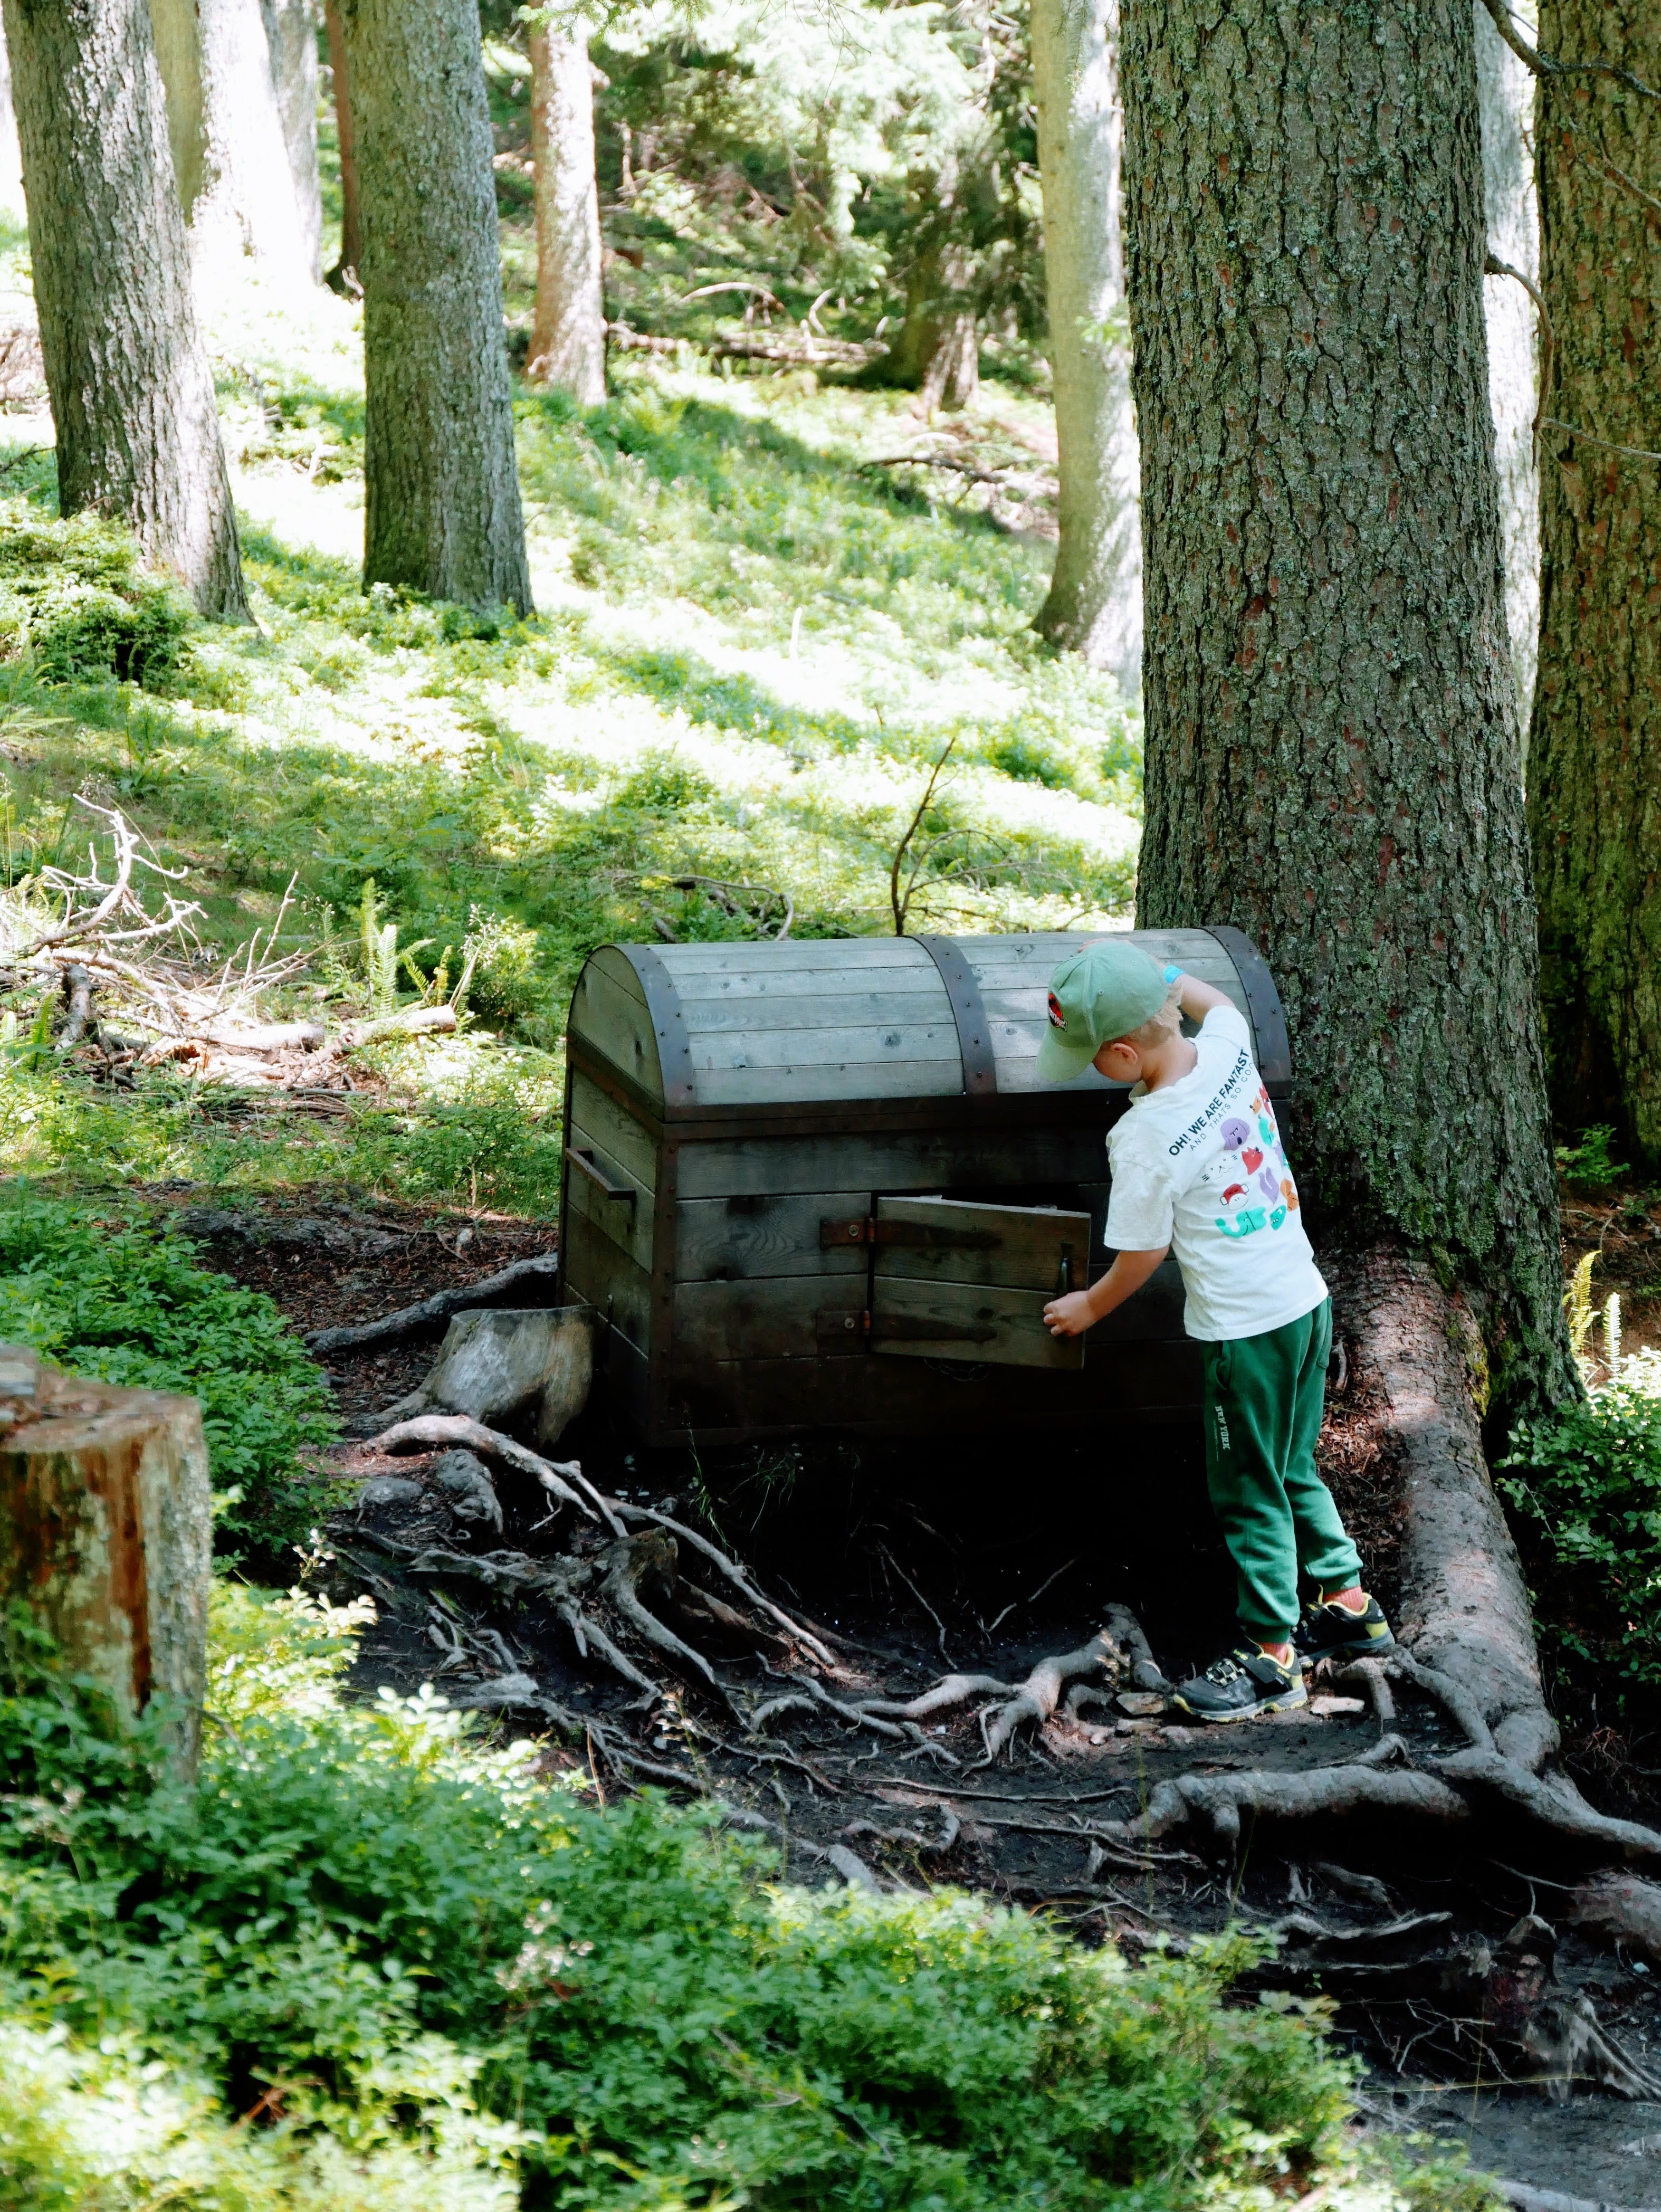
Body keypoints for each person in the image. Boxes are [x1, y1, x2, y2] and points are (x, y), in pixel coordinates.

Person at [1038, 938, 1393, 1722]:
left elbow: (1145, 1250)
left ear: (1125, 1053)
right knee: (1293, 1463)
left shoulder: (1143, 1135)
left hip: (1246, 1333)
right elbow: (1223, 1004)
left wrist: (1090, 1307)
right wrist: (1160, 976)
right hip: (1304, 1299)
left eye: (1090, 1056)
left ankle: (1271, 1660)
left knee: (1249, 1489)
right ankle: (1348, 1603)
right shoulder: (1229, 1047)